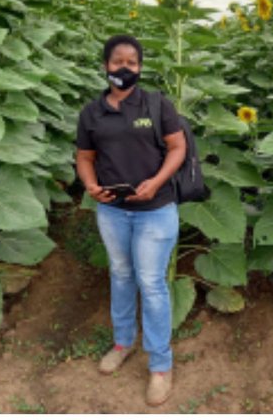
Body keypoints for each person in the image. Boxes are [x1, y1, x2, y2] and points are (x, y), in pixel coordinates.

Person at [76, 35, 186, 407]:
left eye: (132, 63)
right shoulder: (92, 113)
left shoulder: (156, 104)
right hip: (113, 210)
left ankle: (160, 365)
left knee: (151, 283)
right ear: (105, 65)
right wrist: (90, 185)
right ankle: (123, 342)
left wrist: (156, 182)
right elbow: (85, 156)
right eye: (118, 62)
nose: (125, 69)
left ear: (140, 67)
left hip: (156, 211)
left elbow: (178, 147)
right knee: (121, 275)